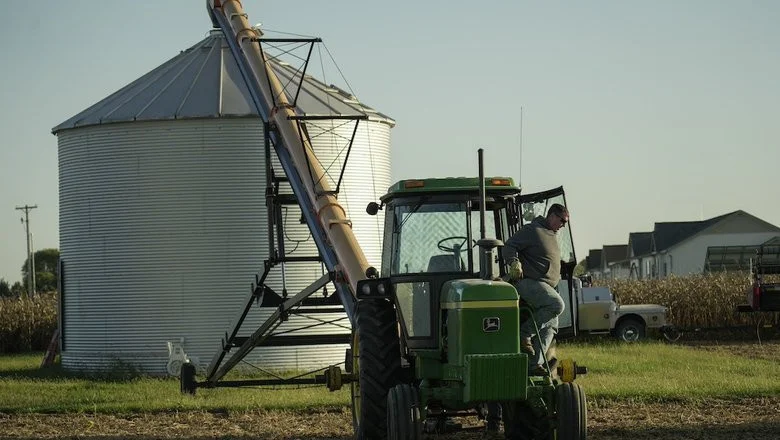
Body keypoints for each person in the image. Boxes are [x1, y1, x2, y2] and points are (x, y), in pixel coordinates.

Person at [502, 203, 568, 374]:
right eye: (562, 221)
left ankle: (534, 365)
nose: (563, 225)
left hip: (545, 285)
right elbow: (509, 245)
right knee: (556, 305)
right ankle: (525, 333)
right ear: (552, 216)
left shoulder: (551, 234)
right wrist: (514, 262)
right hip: (527, 281)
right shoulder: (533, 229)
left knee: (551, 326)